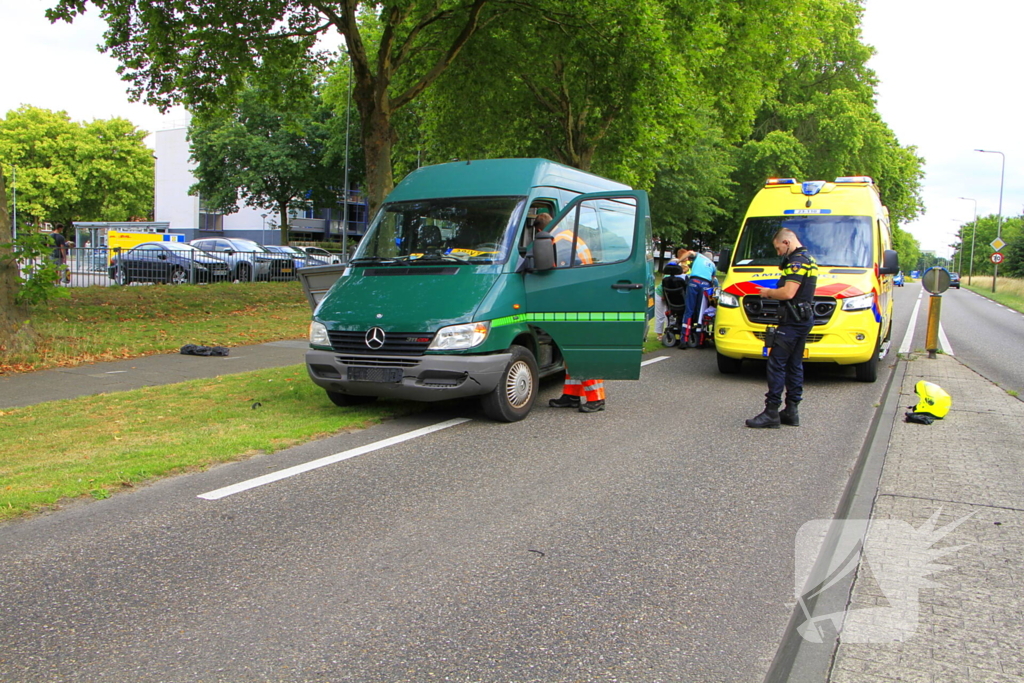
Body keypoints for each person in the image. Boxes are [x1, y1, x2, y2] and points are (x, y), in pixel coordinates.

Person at [746, 228, 818, 428]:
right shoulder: (808, 259)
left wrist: (768, 292)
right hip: (802, 319)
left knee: (776, 364)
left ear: (786, 243)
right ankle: (791, 411)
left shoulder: (797, 262)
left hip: (793, 322)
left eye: (778, 249)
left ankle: (771, 412)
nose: (778, 253)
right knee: (794, 365)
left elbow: (788, 293)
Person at [535, 212, 606, 413]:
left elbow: (563, 278)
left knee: (581, 351)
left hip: (578, 304)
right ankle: (572, 396)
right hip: (582, 300)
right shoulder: (568, 236)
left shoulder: (561, 242)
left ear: (541, 231)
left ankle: (597, 398)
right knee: (571, 352)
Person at [679, 248, 716, 346]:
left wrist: (679, 261)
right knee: (701, 312)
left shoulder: (699, 256)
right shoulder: (713, 265)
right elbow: (714, 281)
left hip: (694, 282)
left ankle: (684, 339)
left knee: (689, 310)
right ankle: (700, 340)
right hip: (705, 285)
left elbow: (689, 253)